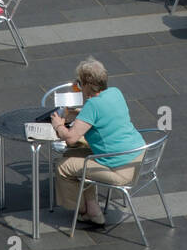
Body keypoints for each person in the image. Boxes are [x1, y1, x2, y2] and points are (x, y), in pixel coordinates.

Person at [49, 57, 146, 227]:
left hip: (119, 169)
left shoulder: (92, 105)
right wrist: (80, 114)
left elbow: (71, 138)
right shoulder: (115, 92)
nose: (79, 86)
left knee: (63, 166)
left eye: (80, 82)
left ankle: (82, 210)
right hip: (137, 156)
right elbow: (103, 113)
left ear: (87, 84)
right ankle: (93, 210)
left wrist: (58, 126)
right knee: (75, 154)